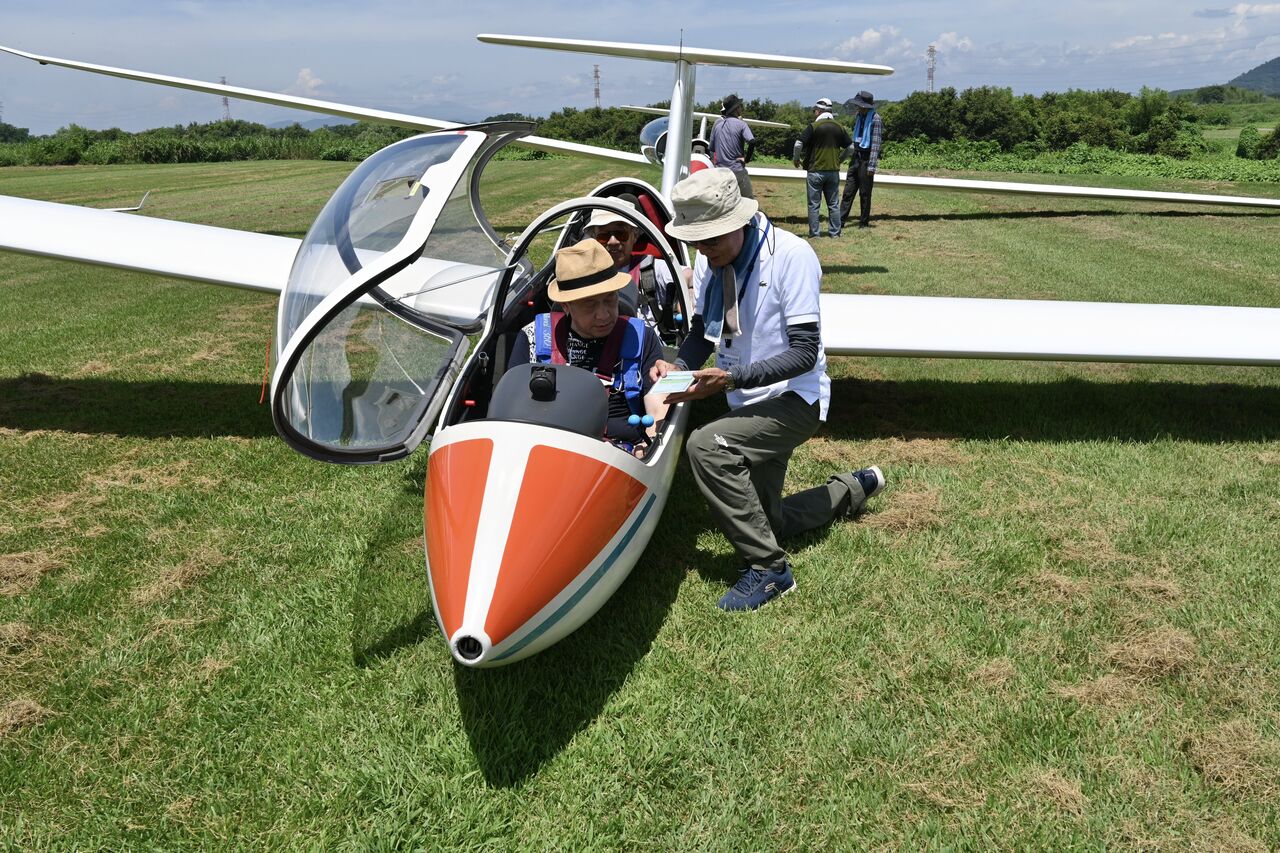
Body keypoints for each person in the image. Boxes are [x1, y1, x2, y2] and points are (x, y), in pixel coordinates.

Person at [653, 168, 885, 611]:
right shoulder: (710, 258)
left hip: (796, 399)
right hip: (746, 399)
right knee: (766, 522)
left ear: (739, 222)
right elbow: (702, 331)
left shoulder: (792, 256)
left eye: (712, 239)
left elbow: (804, 353)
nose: (704, 250)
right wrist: (679, 366)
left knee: (708, 446)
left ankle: (770, 571)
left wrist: (731, 379)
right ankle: (853, 488)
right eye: (696, 241)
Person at [509, 238, 667, 452]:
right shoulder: (532, 337)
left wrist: (647, 448)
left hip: (623, 455)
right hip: (547, 448)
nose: (603, 315)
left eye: (610, 299)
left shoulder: (641, 337)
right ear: (566, 306)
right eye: (589, 305)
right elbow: (512, 410)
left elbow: (657, 408)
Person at [584, 197, 678, 329]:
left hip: (645, 340)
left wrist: (689, 290)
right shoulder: (584, 273)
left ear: (635, 236)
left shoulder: (650, 268)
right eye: (604, 236)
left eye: (621, 234)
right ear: (594, 239)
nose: (613, 242)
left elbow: (686, 276)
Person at [792, 96, 853, 238]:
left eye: (815, 110)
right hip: (833, 171)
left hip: (815, 170)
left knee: (814, 205)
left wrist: (796, 159)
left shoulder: (813, 126)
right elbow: (850, 148)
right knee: (833, 204)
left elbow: (798, 144)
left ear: (819, 111)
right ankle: (835, 233)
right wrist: (839, 160)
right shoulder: (839, 127)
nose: (814, 113)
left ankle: (815, 234)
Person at [839, 90, 882, 229]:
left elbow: (876, 144)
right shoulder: (859, 116)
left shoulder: (875, 118)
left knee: (865, 193)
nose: (858, 107)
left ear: (866, 106)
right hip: (855, 157)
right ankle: (840, 221)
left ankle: (863, 223)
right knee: (848, 191)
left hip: (866, 159)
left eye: (859, 105)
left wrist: (872, 166)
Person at [709, 94, 756, 200]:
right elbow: (752, 142)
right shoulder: (741, 124)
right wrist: (746, 159)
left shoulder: (717, 126)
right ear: (736, 109)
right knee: (749, 201)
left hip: (721, 172)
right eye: (740, 106)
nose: (741, 108)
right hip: (737, 171)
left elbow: (711, 149)